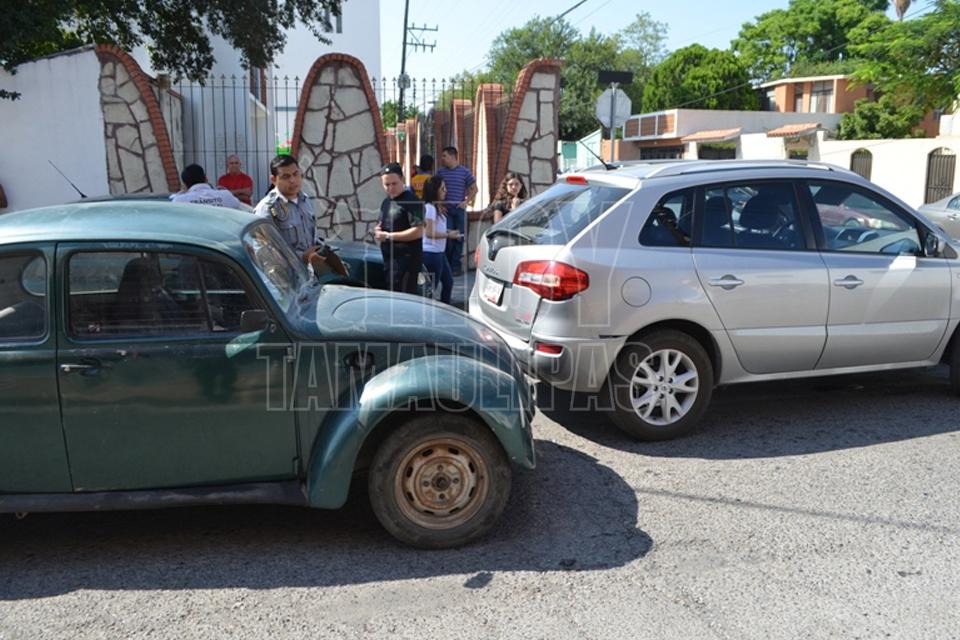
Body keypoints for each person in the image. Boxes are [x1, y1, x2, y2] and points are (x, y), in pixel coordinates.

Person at [254, 155, 322, 262]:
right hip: (286, 272)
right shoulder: (267, 209)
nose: (292, 180)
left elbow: (312, 236)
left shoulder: (305, 200)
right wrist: (302, 257)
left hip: (311, 269)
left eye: (296, 174)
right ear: (274, 180)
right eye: (286, 177)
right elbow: (263, 251)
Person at [374, 162, 424, 294]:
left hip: (407, 263)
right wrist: (378, 231)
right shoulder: (386, 202)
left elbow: (419, 231)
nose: (391, 188)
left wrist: (388, 236)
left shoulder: (413, 202)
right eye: (387, 185)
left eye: (394, 184)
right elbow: (383, 223)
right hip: (390, 261)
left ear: (402, 179)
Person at [436, 146, 476, 276]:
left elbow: (474, 188)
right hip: (446, 211)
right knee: (447, 238)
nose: (442, 159)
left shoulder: (464, 172)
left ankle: (455, 266)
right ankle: (447, 265)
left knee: (459, 238)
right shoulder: (440, 172)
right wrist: (440, 205)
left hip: (459, 210)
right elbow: (435, 189)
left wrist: (466, 202)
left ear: (453, 156)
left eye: (444, 156)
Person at [421, 175, 461, 305]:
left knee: (448, 282)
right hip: (431, 253)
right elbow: (429, 233)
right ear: (435, 190)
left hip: (439, 252)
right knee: (431, 288)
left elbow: (436, 228)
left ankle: (445, 308)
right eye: (442, 188)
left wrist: (449, 232)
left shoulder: (437, 207)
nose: (445, 191)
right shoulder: (430, 208)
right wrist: (448, 235)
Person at [170, 164, 244, 209]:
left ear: (185, 185)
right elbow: (238, 206)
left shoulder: (179, 201)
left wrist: (181, 193)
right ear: (206, 178)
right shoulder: (225, 195)